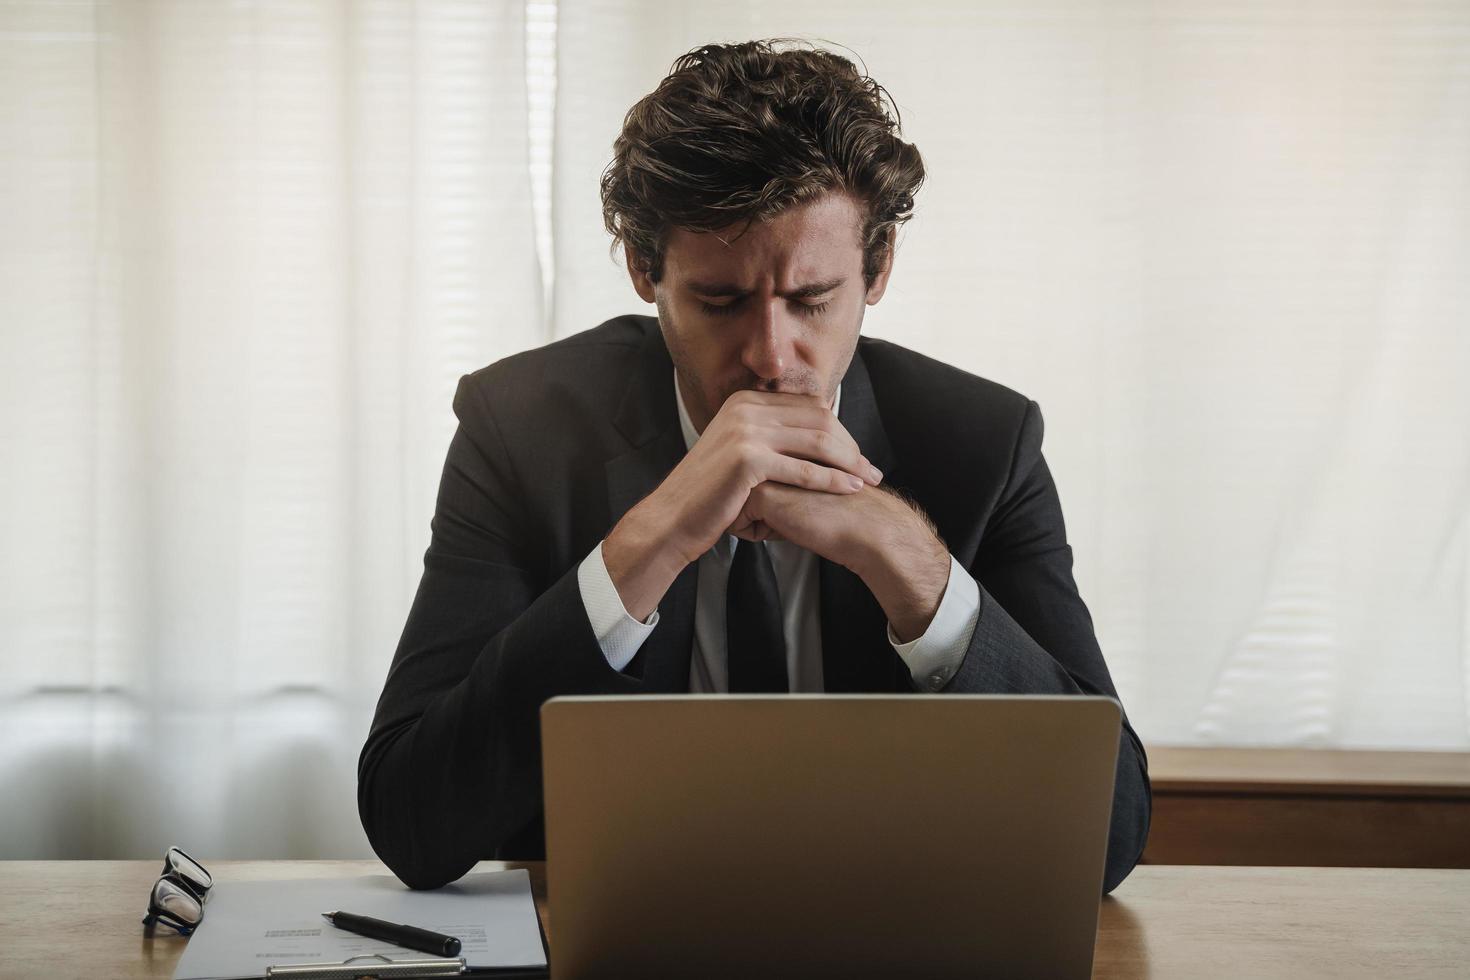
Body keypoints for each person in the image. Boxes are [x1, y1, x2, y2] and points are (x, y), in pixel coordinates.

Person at [358, 39, 1151, 895]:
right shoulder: (518, 429)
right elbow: (411, 822)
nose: (772, 357)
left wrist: (915, 567)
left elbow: (1108, 837)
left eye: (813, 300)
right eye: (721, 301)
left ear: (876, 270)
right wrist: (647, 545)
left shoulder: (985, 444)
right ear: (643, 269)